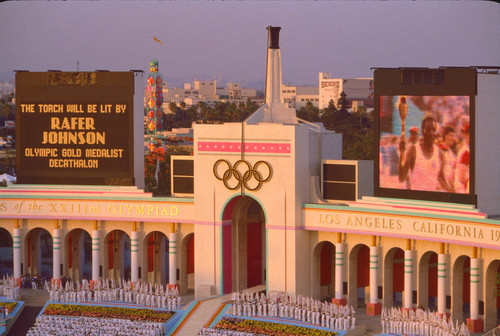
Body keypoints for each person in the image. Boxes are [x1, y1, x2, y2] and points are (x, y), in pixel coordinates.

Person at [399, 115, 441, 191]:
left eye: (433, 129)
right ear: (422, 131)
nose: (431, 133)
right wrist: (401, 152)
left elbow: (441, 178)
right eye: (428, 129)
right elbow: (401, 177)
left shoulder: (438, 152)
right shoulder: (412, 149)